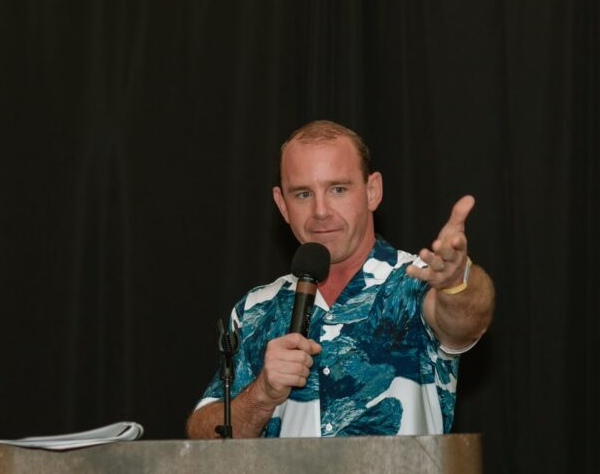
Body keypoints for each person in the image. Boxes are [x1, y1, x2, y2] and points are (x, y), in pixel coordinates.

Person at [186, 120, 494, 439]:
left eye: (338, 189)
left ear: (372, 191)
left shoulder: (416, 282)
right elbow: (202, 438)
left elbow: (467, 319)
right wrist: (260, 396)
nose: (320, 211)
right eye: (303, 193)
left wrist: (457, 283)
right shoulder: (258, 307)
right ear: (282, 205)